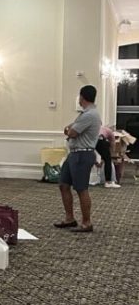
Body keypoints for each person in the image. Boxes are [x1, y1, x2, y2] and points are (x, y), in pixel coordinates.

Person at [54, 84, 102, 233]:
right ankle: (70, 219)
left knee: (81, 189)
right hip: (74, 153)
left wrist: (69, 129)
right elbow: (70, 128)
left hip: (82, 154)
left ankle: (87, 223)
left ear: (81, 97)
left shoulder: (90, 115)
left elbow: (72, 132)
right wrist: (70, 129)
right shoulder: (85, 113)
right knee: (63, 184)